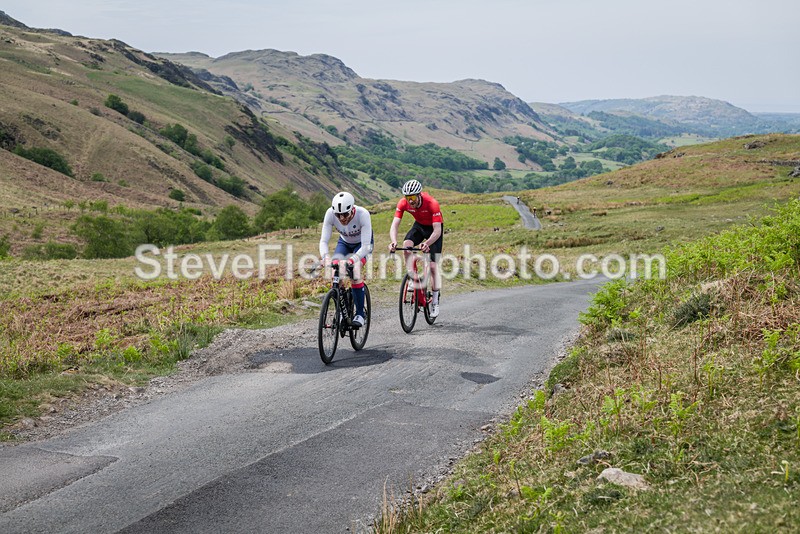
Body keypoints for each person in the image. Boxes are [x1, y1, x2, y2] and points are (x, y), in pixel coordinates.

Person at [388, 178, 443, 318]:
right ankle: (413, 278)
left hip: (434, 230)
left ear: (419, 195)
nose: (410, 201)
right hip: (419, 226)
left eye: (412, 197)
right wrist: (394, 242)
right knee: (406, 246)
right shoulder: (403, 203)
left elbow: (437, 231)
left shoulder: (432, 203)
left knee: (432, 266)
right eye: (408, 198)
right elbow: (395, 225)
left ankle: (435, 301)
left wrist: (428, 243)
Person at [319, 191, 373, 327]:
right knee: (335, 273)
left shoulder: (363, 214)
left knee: (355, 271)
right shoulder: (330, 214)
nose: (342, 218)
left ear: (352, 209)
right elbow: (323, 241)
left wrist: (352, 260)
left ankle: (360, 314)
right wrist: (325, 257)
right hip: (344, 243)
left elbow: (366, 246)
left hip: (362, 245)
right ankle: (343, 313)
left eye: (345, 214)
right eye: (338, 215)